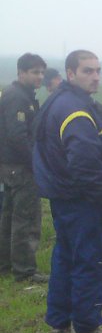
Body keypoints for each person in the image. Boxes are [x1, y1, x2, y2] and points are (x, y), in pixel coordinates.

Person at [33, 50, 102, 333]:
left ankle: (59, 327)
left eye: (98, 70)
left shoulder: (58, 101)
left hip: (64, 198)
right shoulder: (76, 112)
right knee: (91, 262)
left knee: (65, 258)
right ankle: (88, 330)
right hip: (83, 202)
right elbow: (85, 166)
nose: (95, 77)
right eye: (87, 71)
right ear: (70, 73)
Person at [0, 53, 47, 282]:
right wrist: (36, 163)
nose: (40, 77)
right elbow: (18, 137)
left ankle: (6, 264)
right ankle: (25, 271)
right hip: (21, 168)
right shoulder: (18, 97)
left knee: (9, 217)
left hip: (10, 166)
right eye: (35, 72)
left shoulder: (17, 94)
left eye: (42, 72)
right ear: (21, 73)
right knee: (26, 219)